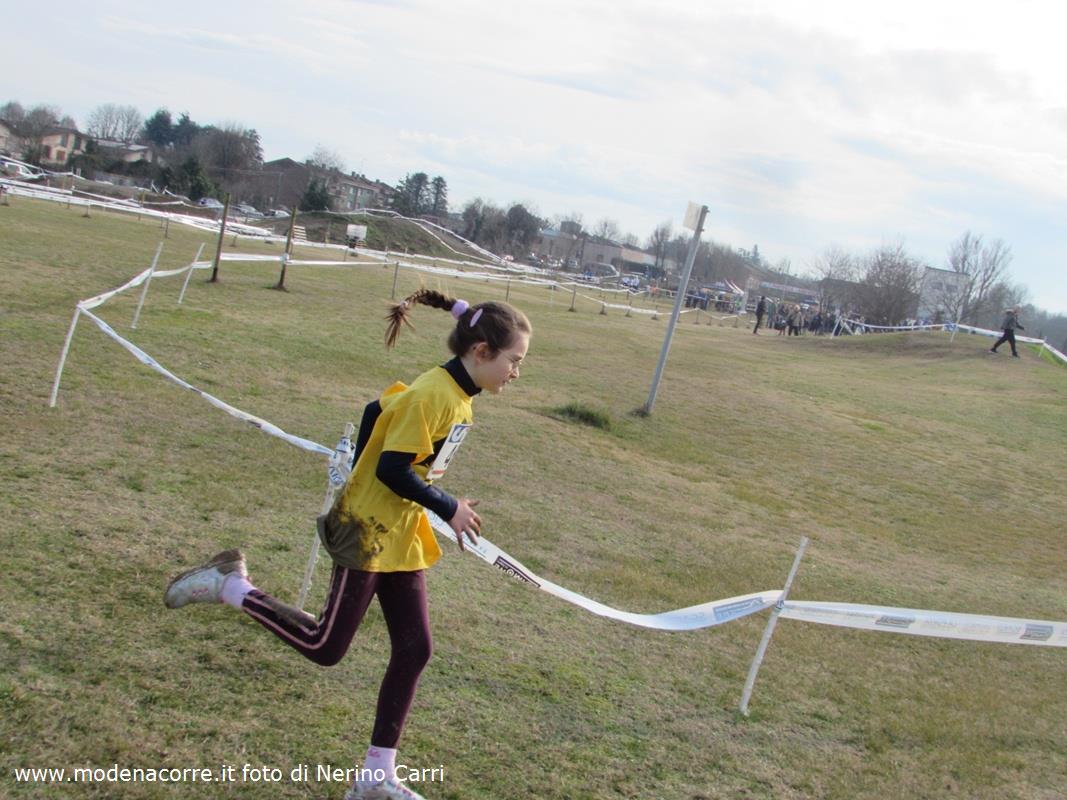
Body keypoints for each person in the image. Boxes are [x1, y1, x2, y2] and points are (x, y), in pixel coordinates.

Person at [163, 290, 532, 800]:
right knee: (326, 647)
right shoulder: (435, 395)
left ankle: (376, 778)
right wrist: (446, 505)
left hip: (398, 532)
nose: (517, 373)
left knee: (415, 648)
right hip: (368, 531)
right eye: (514, 360)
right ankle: (230, 585)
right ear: (482, 351)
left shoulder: (456, 395)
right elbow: (392, 468)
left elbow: (377, 409)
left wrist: (412, 487)